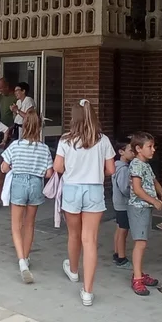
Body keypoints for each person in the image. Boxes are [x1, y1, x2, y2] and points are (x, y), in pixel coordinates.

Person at [55, 98, 116, 307]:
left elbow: (58, 167)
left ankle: (73, 270)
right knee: (89, 239)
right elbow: (111, 170)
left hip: (72, 189)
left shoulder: (66, 140)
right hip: (94, 190)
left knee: (73, 234)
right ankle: (88, 291)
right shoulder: (103, 140)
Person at [0, 110, 53, 283]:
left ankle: (21, 261)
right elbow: (48, 173)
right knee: (29, 224)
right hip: (36, 184)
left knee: (16, 225)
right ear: (39, 127)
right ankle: (27, 256)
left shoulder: (15, 145)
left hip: (19, 183)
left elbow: (4, 167)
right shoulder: (44, 148)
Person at [127, 132, 162, 296]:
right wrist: (154, 201)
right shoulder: (136, 165)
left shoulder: (146, 165)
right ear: (138, 149)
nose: (153, 149)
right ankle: (137, 278)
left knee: (143, 242)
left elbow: (154, 180)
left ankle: (139, 272)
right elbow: (137, 189)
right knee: (140, 243)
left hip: (145, 207)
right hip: (138, 208)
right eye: (149, 146)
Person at [111, 139, 135, 269]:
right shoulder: (124, 169)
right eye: (130, 150)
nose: (133, 153)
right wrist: (134, 192)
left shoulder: (116, 166)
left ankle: (117, 253)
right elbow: (125, 188)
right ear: (121, 152)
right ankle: (121, 257)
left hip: (118, 202)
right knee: (123, 231)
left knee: (119, 228)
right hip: (123, 203)